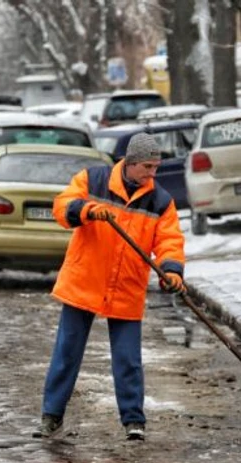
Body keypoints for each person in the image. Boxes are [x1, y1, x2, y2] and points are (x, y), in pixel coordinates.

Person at [34, 133, 186, 442]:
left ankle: (134, 421)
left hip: (127, 286)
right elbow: (62, 207)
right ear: (129, 163)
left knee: (128, 358)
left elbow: (169, 241)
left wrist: (172, 272)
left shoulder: (160, 201)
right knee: (67, 352)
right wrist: (87, 210)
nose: (152, 174)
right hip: (85, 281)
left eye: (156, 167)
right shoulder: (93, 179)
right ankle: (52, 415)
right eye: (147, 166)